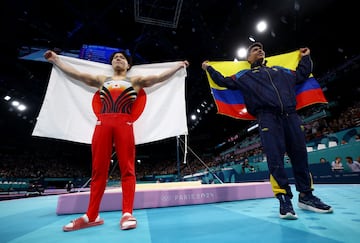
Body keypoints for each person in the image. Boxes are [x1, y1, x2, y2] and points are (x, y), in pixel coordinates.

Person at [44, 50, 189, 231]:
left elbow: (160, 77)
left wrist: (177, 66)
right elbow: (77, 74)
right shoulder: (102, 81)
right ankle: (91, 215)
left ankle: (127, 213)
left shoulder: (136, 82)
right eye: (115, 58)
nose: (118, 59)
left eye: (122, 57)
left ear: (128, 66)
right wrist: (56, 60)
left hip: (124, 123)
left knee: (127, 169)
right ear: (112, 64)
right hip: (102, 124)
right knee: (98, 170)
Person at [202, 42, 333, 220]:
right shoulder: (244, 75)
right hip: (267, 117)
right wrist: (209, 68)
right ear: (248, 58)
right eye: (254, 50)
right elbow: (222, 81)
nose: (259, 50)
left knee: (300, 156)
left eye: (261, 48)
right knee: (275, 159)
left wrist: (306, 57)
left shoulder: (281, 71)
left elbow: (302, 74)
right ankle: (284, 200)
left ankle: (306, 196)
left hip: (291, 116)